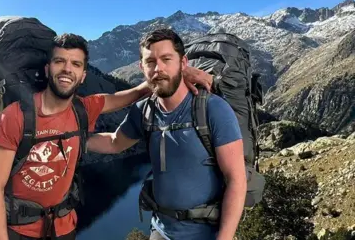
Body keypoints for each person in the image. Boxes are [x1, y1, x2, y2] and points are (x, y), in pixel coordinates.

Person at [0, 32, 213, 240]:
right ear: (47, 69)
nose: (67, 69)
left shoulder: (83, 109)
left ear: (83, 75)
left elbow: (132, 94)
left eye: (75, 64)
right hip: (19, 230)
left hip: (63, 228)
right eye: (59, 61)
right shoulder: (16, 117)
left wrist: (179, 74)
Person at [87, 28, 247, 240]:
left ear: (182, 63)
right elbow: (115, 142)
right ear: (141, 67)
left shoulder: (213, 109)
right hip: (160, 230)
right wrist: (71, 137)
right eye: (151, 61)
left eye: (166, 59)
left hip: (204, 234)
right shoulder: (144, 110)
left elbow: (236, 180)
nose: (158, 68)